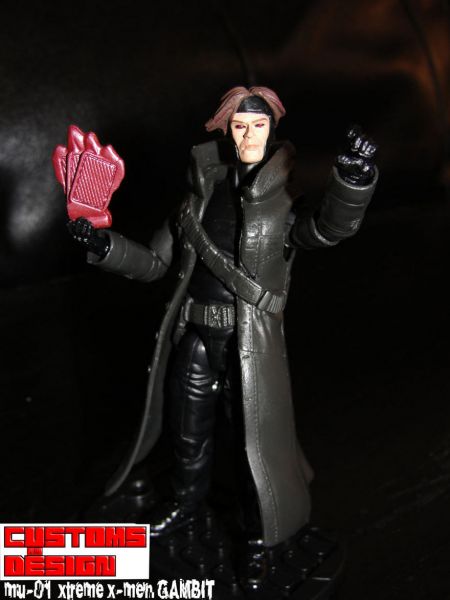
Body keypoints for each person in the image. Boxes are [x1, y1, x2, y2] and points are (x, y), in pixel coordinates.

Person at [68, 85, 377, 584]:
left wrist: (352, 182)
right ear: (226, 130)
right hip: (194, 334)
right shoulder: (199, 195)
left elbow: (326, 230)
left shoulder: (284, 199)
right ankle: (185, 507)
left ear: (273, 130)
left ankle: (261, 536)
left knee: (253, 448)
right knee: (186, 434)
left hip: (247, 345)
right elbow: (155, 264)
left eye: (258, 125)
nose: (249, 135)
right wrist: (104, 246)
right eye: (239, 125)